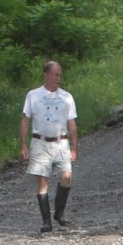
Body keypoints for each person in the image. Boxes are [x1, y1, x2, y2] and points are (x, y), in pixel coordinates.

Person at [20, 60, 78, 233]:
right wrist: (23, 145)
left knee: (66, 176)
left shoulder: (66, 97)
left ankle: (59, 213)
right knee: (42, 180)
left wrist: (74, 147)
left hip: (61, 142)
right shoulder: (33, 95)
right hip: (40, 142)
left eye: (59, 75)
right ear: (45, 75)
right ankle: (46, 222)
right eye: (54, 75)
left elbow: (72, 123)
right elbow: (25, 120)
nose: (57, 78)